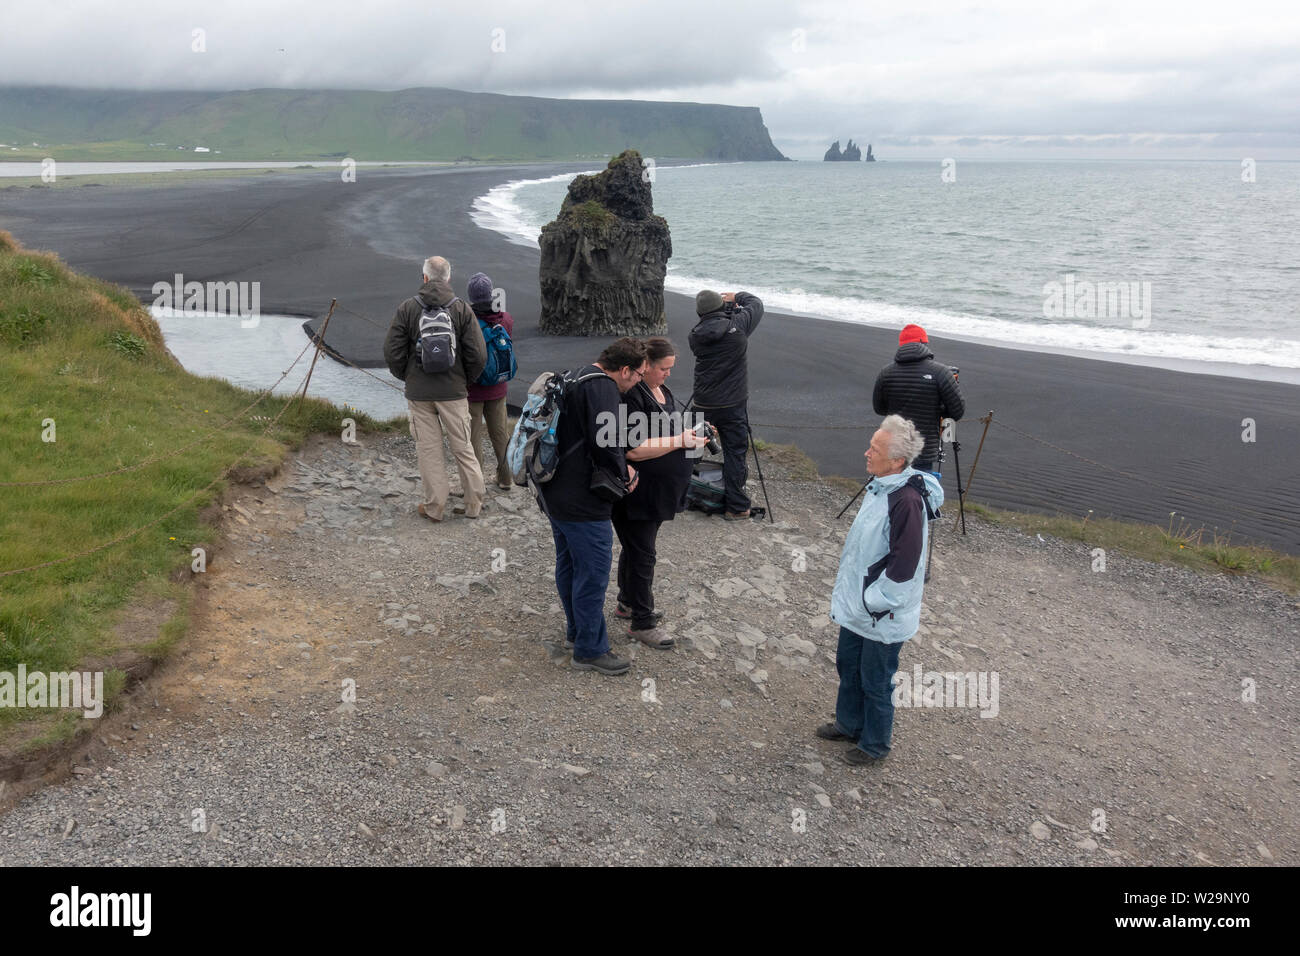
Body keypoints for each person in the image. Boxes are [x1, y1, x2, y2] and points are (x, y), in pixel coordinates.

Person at [816, 415, 943, 765]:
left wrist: (876, 602)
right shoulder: (882, 486)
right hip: (861, 607)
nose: (866, 453)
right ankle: (849, 723)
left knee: (875, 679)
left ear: (897, 461)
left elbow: (905, 565)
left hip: (881, 612)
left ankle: (874, 745)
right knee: (849, 666)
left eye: (875, 449)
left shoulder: (905, 501)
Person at [538, 338, 649, 676]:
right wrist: (625, 473)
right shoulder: (602, 388)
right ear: (624, 369)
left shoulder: (576, 375)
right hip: (582, 500)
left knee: (569, 565)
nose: (640, 381)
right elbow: (608, 443)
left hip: (554, 490)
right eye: (639, 374)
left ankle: (577, 633)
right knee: (594, 573)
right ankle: (590, 650)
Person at [613, 337, 711, 649]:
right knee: (643, 554)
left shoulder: (661, 390)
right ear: (646, 367)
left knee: (636, 548)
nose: (668, 374)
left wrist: (693, 435)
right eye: (663, 369)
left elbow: (666, 429)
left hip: (660, 491)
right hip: (638, 491)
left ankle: (627, 602)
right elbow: (634, 450)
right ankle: (642, 622)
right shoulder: (633, 396)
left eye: (671, 369)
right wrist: (682, 440)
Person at [383, 255, 487, 522]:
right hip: (454, 392)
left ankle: (435, 507)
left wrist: (407, 377)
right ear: (448, 278)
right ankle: (473, 505)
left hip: (420, 393)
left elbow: (392, 351)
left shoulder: (407, 308)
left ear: (425, 277)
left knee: (429, 451)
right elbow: (478, 354)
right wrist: (465, 381)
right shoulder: (462, 309)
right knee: (463, 448)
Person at [687, 289, 764, 519]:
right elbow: (757, 305)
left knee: (692, 447)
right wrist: (736, 297)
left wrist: (725, 309)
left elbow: (714, 327)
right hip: (732, 402)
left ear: (700, 312)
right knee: (735, 452)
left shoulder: (695, 335)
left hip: (703, 400)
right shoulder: (737, 326)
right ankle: (737, 507)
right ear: (721, 308)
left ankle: (678, 493)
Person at [871, 324, 965, 474]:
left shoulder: (886, 372)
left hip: (893, 445)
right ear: (924, 343)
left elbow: (879, 408)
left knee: (892, 489)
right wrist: (937, 408)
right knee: (919, 491)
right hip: (924, 449)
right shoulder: (941, 372)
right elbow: (957, 412)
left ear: (901, 345)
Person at [464, 272, 515, 491]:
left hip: (473, 389)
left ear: (471, 296)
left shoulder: (467, 320)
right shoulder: (506, 319)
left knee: (473, 437)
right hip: (498, 386)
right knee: (500, 433)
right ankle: (506, 478)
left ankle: (476, 484)